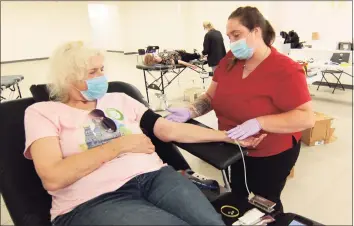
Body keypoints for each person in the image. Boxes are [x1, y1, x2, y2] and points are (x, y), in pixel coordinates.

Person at [23, 41, 236, 226]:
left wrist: (228, 136)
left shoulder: (119, 99)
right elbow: (53, 177)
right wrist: (121, 145)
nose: (101, 77)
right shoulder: (42, 113)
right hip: (94, 200)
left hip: (155, 178)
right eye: (92, 72)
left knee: (211, 222)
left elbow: (168, 129)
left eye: (102, 69)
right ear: (68, 79)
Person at [165, 6, 315, 212]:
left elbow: (306, 118)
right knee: (238, 195)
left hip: (271, 153)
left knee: (264, 202)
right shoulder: (230, 61)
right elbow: (210, 96)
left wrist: (260, 122)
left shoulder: (286, 70)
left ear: (257, 31)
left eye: (237, 35)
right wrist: (191, 110)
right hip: (233, 146)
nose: (233, 42)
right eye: (229, 37)